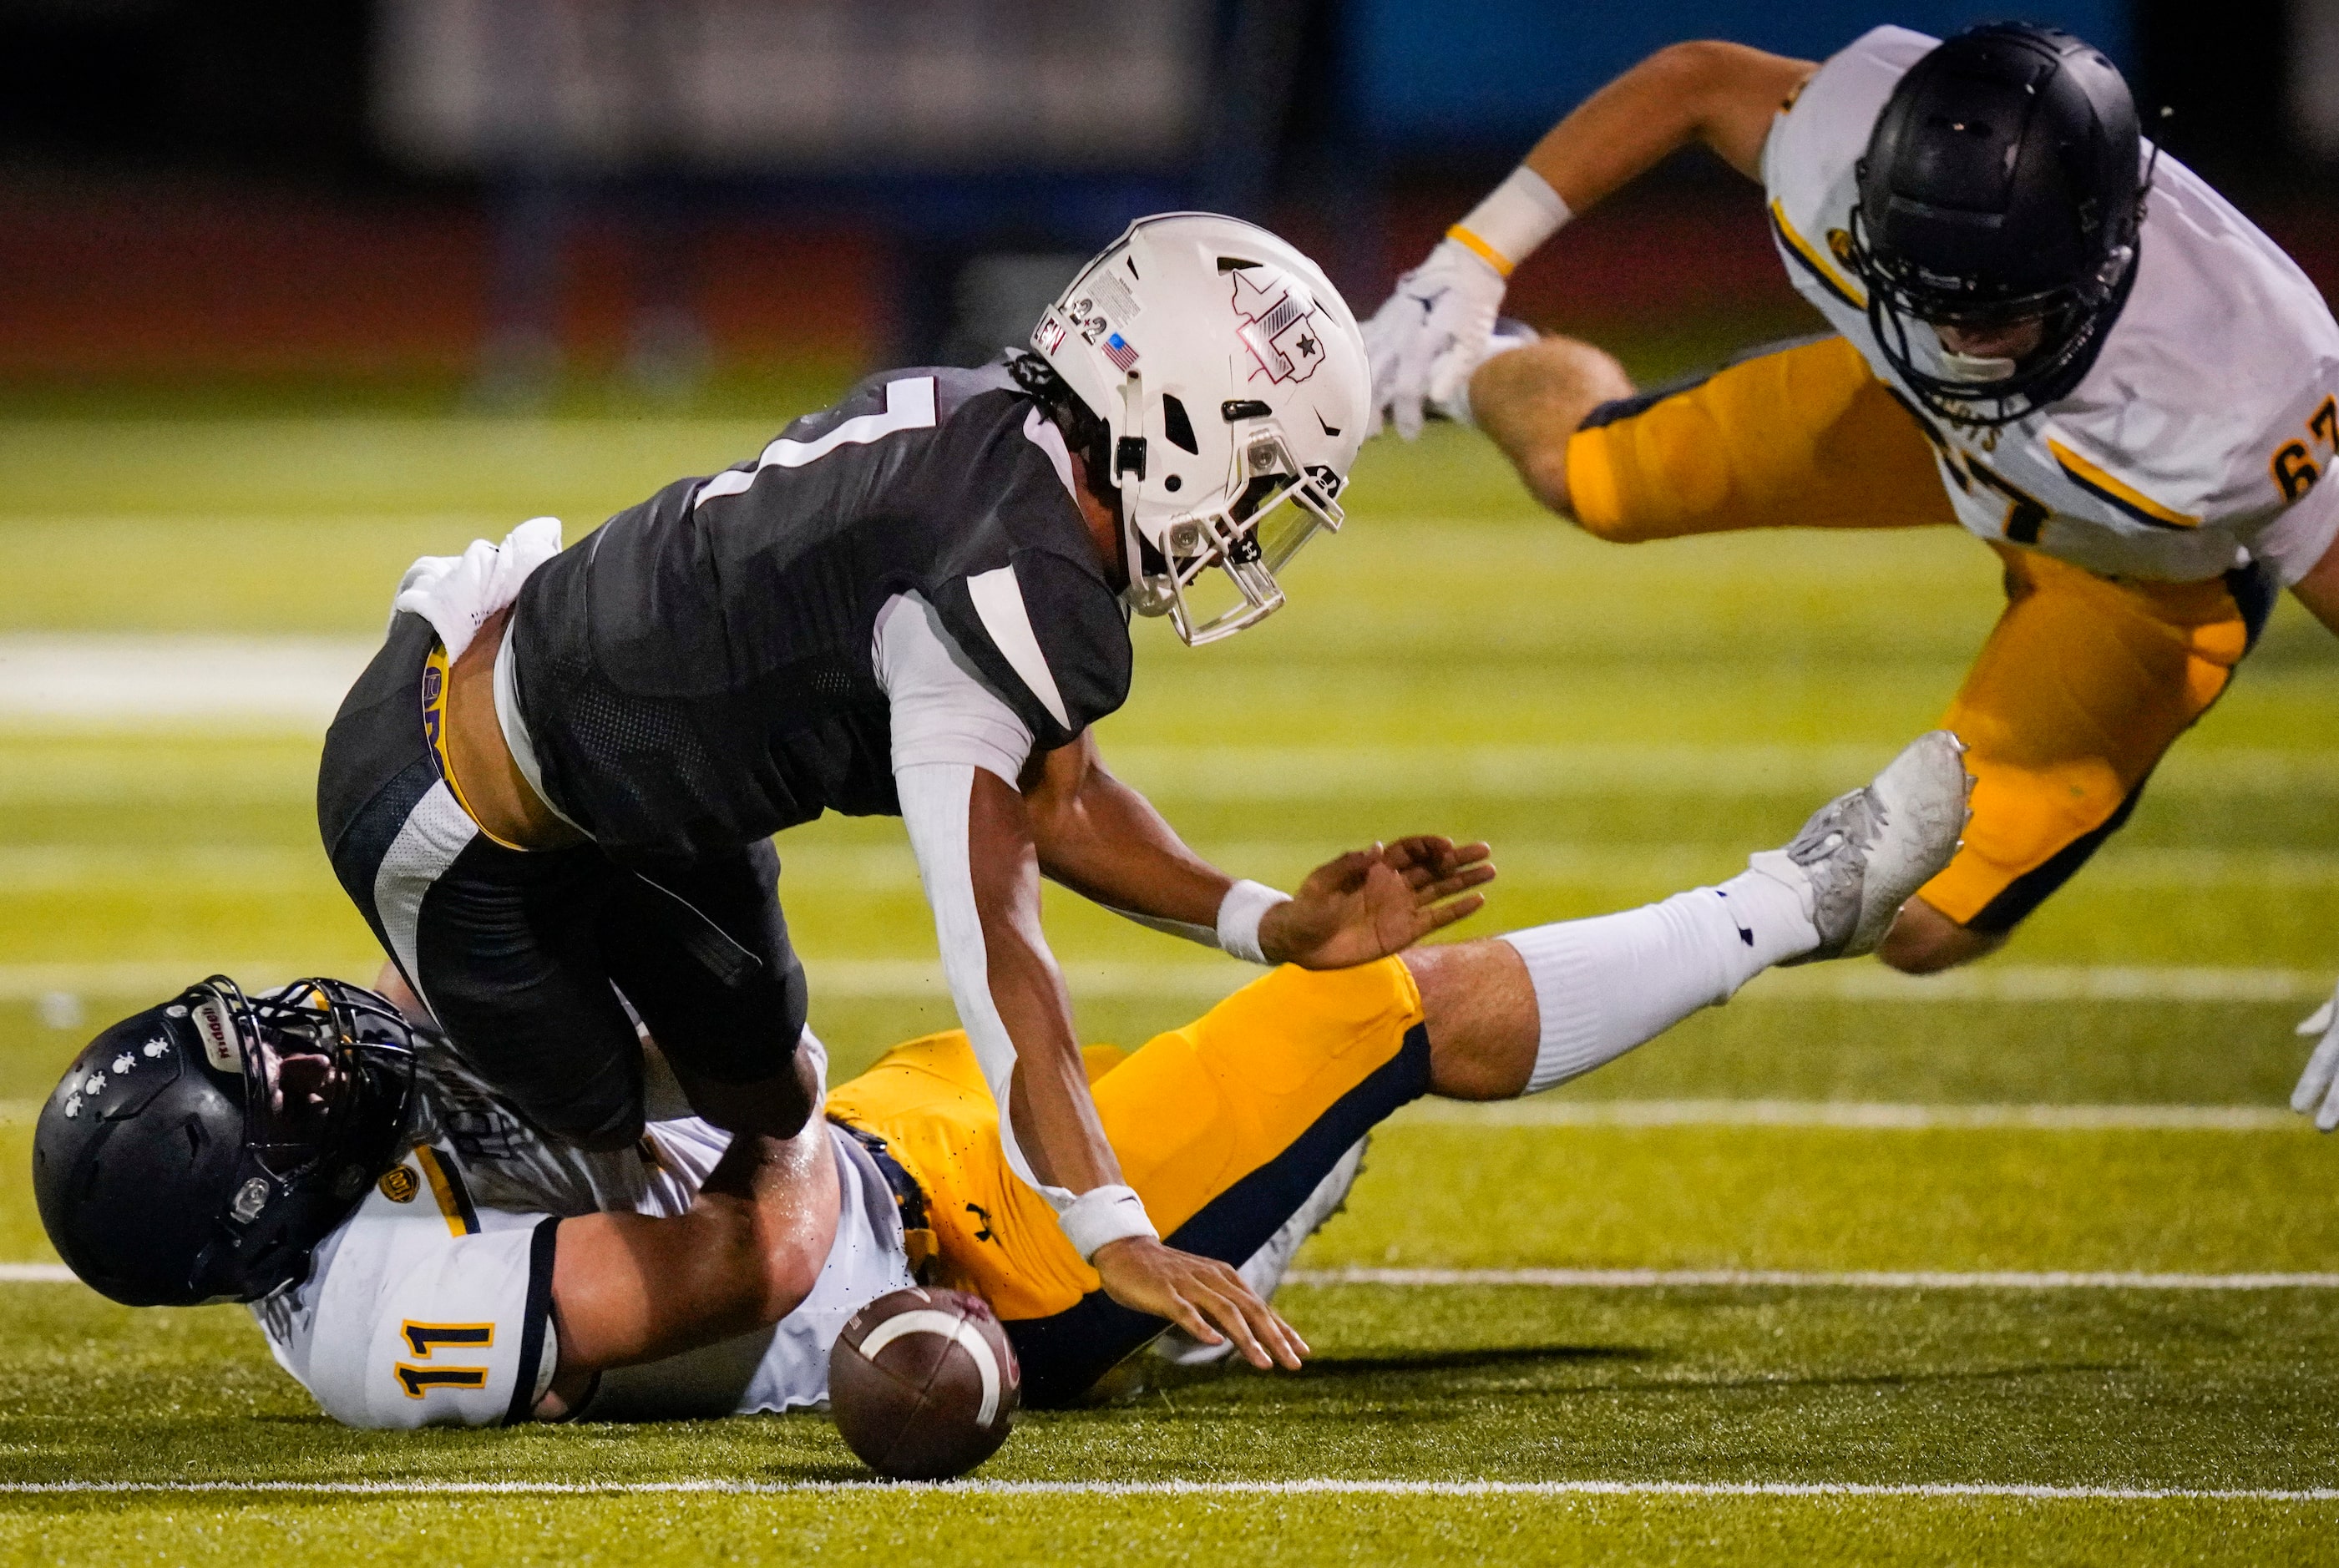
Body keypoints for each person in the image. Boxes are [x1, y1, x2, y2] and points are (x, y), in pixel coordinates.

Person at [319, 212, 1491, 1349]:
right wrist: (1109, 1224)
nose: (1242, 528)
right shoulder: (997, 571)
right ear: (1168, 415)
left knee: (767, 1088)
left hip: (654, 808)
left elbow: (1059, 800)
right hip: (458, 811)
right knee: (588, 1114)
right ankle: (332, 1059)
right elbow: (995, 941)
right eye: (1257, 477)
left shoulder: (1011, 449)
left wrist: (1269, 922)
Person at [37, 736, 1969, 1425]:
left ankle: (1271, 1150)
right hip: (960, 1262)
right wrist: (745, 1050)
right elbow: (756, 1261)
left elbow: (450, 971)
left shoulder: (332, 1154)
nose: (313, 1034)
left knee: (1307, 1045)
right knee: (1383, 1016)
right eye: (282, 1074)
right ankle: (1790, 903)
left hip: (909, 1130)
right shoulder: (395, 1320)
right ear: (264, 1206)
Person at [1360, 23, 2339, 1040]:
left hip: (2132, 571)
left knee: (1916, 922)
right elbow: (1693, 81)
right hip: (1916, 420)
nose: (1956, 336)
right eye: (1925, 292)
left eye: (1994, 313)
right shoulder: (1851, 135)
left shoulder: (2245, 390)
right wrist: (1468, 262)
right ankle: (1454, 366)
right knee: (1592, 478)